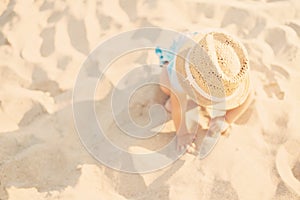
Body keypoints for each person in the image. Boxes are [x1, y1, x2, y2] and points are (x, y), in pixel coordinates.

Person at [156, 31, 254, 153]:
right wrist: (182, 135)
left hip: (206, 50)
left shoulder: (233, 72)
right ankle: (166, 66)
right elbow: (177, 110)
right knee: (166, 86)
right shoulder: (181, 75)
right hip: (183, 52)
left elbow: (249, 95)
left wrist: (226, 120)